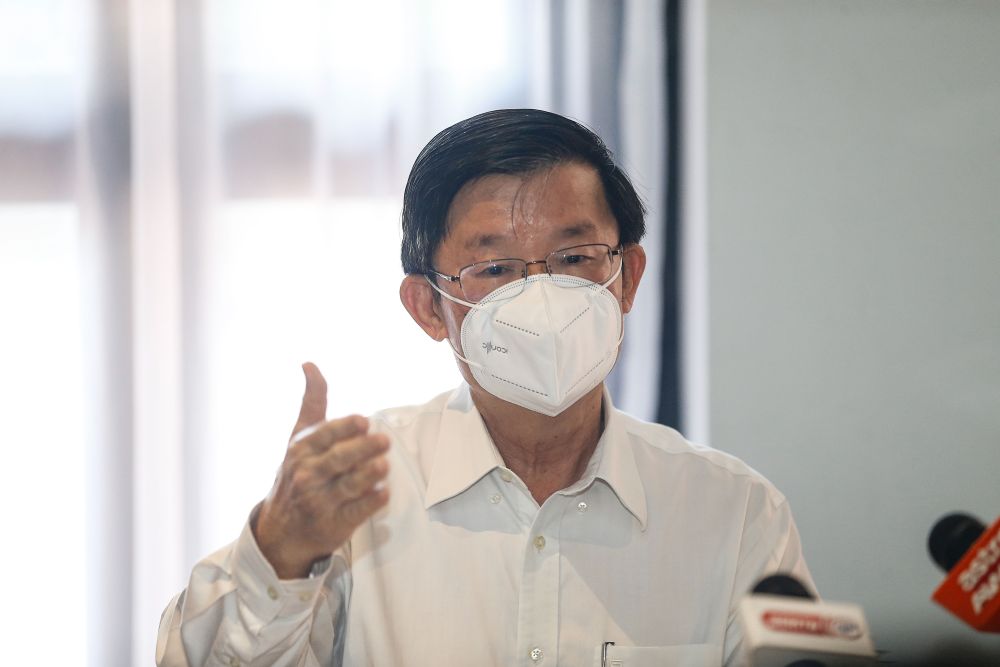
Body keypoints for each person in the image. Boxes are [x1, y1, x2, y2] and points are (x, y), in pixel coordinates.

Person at [156, 108, 814, 666]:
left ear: (628, 277)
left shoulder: (735, 514)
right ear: (427, 307)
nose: (542, 296)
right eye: (495, 266)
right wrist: (282, 551)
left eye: (574, 258)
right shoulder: (355, 503)